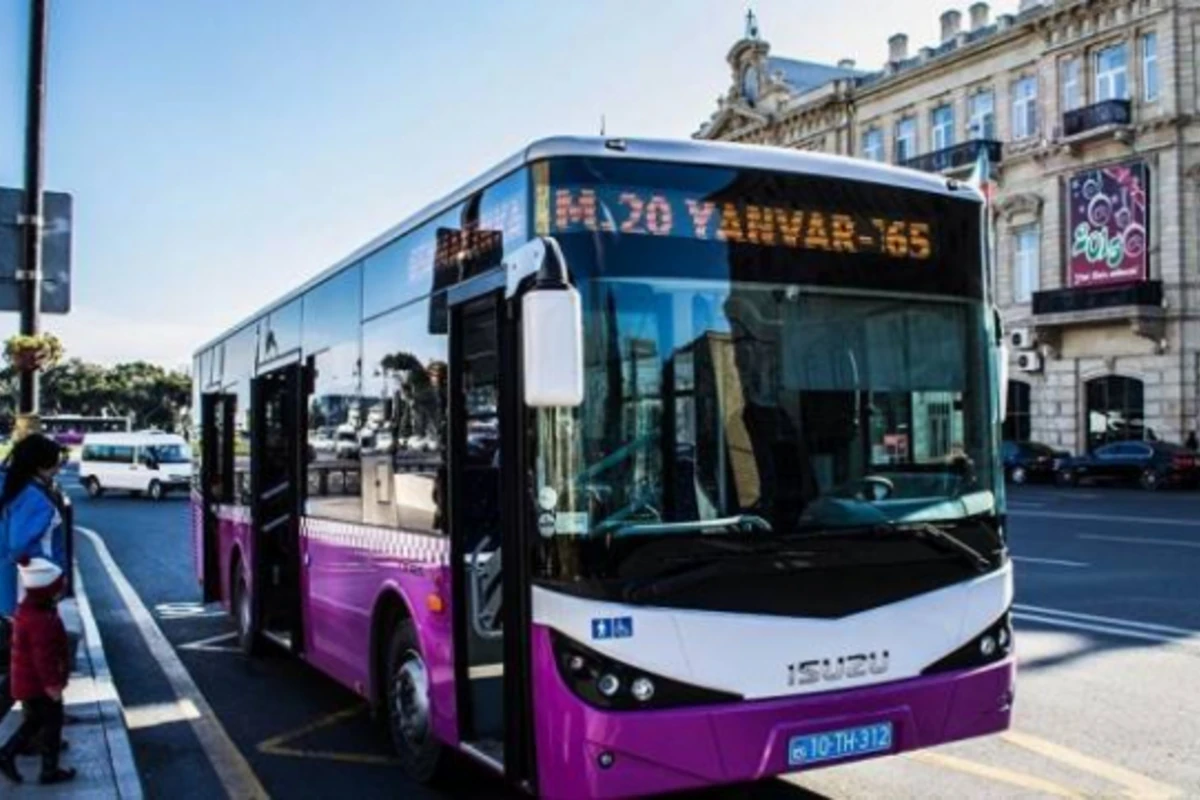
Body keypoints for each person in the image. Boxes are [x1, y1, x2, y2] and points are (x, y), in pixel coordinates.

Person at [0, 557, 75, 785]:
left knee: (34, 722)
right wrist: (53, 685)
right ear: (47, 592)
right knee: (52, 724)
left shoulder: (30, 611)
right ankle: (48, 771)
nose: (61, 590)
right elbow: (44, 658)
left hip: (27, 682)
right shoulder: (41, 620)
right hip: (39, 684)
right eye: (58, 587)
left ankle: (8, 753)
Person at [0, 433, 67, 616]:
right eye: (56, 464)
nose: (58, 470)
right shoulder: (34, 499)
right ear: (41, 466)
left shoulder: (8, 485)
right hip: (25, 596)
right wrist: (53, 575)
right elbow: (20, 547)